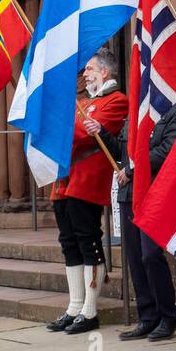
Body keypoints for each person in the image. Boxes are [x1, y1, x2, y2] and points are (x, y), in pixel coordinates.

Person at [90, 93, 176, 342]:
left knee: (150, 255)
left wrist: (131, 170)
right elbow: (120, 152)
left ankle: (168, 316)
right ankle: (148, 317)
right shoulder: (137, 111)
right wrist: (100, 132)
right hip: (129, 194)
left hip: (153, 192)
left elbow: (167, 150)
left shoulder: (175, 111)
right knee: (134, 259)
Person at [45, 50, 127, 335]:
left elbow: (80, 134)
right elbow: (68, 132)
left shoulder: (117, 100)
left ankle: (90, 311)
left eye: (90, 69)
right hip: (65, 181)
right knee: (69, 242)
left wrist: (68, 128)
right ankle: (75, 306)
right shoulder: (82, 102)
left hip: (88, 180)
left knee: (88, 241)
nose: (85, 75)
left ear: (105, 72)